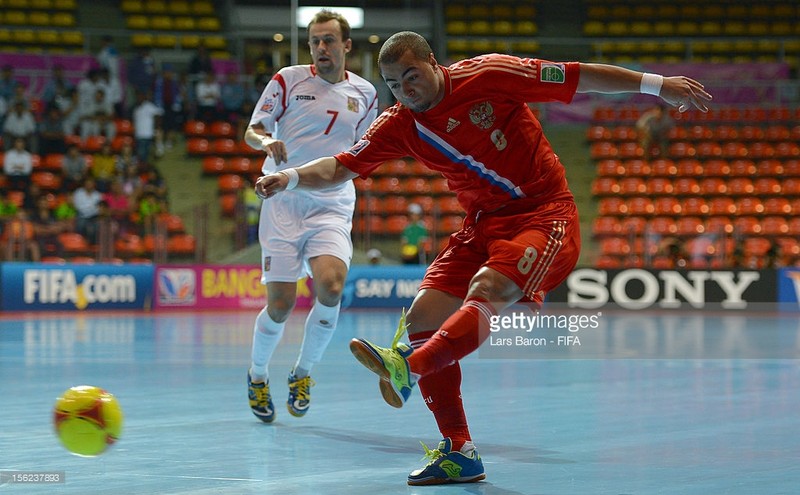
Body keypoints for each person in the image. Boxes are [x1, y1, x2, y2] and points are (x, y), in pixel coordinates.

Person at [255, 31, 712, 485]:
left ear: (433, 62)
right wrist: (289, 177)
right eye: (394, 84)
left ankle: (408, 367)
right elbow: (341, 166)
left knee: (486, 290)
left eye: (411, 76)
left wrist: (655, 84)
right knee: (422, 317)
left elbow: (578, 76)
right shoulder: (399, 124)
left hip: (544, 214)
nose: (405, 89)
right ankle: (460, 450)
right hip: (482, 224)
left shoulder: (490, 74)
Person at [244, 9, 378, 424]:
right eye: (315, 41)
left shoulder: (367, 94)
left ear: (346, 46)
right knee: (281, 306)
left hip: (331, 202)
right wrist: (267, 142)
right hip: (282, 202)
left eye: (329, 40)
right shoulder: (287, 79)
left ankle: (302, 375)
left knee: (332, 287)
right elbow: (253, 130)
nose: (321, 48)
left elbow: (362, 152)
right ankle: (257, 375)